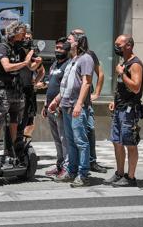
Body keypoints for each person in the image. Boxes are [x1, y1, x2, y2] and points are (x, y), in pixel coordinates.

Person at [47, 31, 93, 187]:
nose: (67, 42)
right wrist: (56, 101)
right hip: (65, 106)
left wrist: (79, 104)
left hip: (76, 107)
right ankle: (71, 171)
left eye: (69, 39)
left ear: (77, 43)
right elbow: (65, 85)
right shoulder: (72, 60)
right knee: (71, 141)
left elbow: (87, 83)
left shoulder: (86, 59)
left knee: (81, 141)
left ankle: (83, 173)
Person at [104, 35, 143, 187]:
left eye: (118, 45)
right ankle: (120, 173)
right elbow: (121, 87)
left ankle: (131, 177)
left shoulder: (135, 64)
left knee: (130, 144)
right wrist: (114, 101)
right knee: (117, 142)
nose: (116, 47)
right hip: (119, 108)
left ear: (128, 45)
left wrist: (121, 73)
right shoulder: (124, 63)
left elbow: (136, 87)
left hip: (129, 110)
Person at [0, 22, 36, 149]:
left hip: (17, 90)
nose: (23, 36)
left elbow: (30, 66)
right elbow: (7, 67)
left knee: (15, 121)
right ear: (14, 33)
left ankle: (14, 150)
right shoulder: (2, 48)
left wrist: (33, 56)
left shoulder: (17, 49)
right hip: (4, 90)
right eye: (22, 33)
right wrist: (25, 62)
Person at [71, 28, 107, 174]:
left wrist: (97, 93)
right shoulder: (71, 55)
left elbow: (101, 74)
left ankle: (91, 161)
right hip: (70, 100)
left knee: (89, 130)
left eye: (80, 34)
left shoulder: (89, 55)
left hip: (85, 101)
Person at [41, 38, 71, 177]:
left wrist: (56, 102)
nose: (58, 50)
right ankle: (59, 165)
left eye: (61, 48)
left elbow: (65, 88)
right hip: (50, 107)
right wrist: (45, 104)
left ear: (67, 50)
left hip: (60, 108)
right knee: (56, 139)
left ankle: (67, 167)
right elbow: (50, 86)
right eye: (57, 47)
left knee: (64, 139)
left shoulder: (68, 65)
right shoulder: (54, 65)